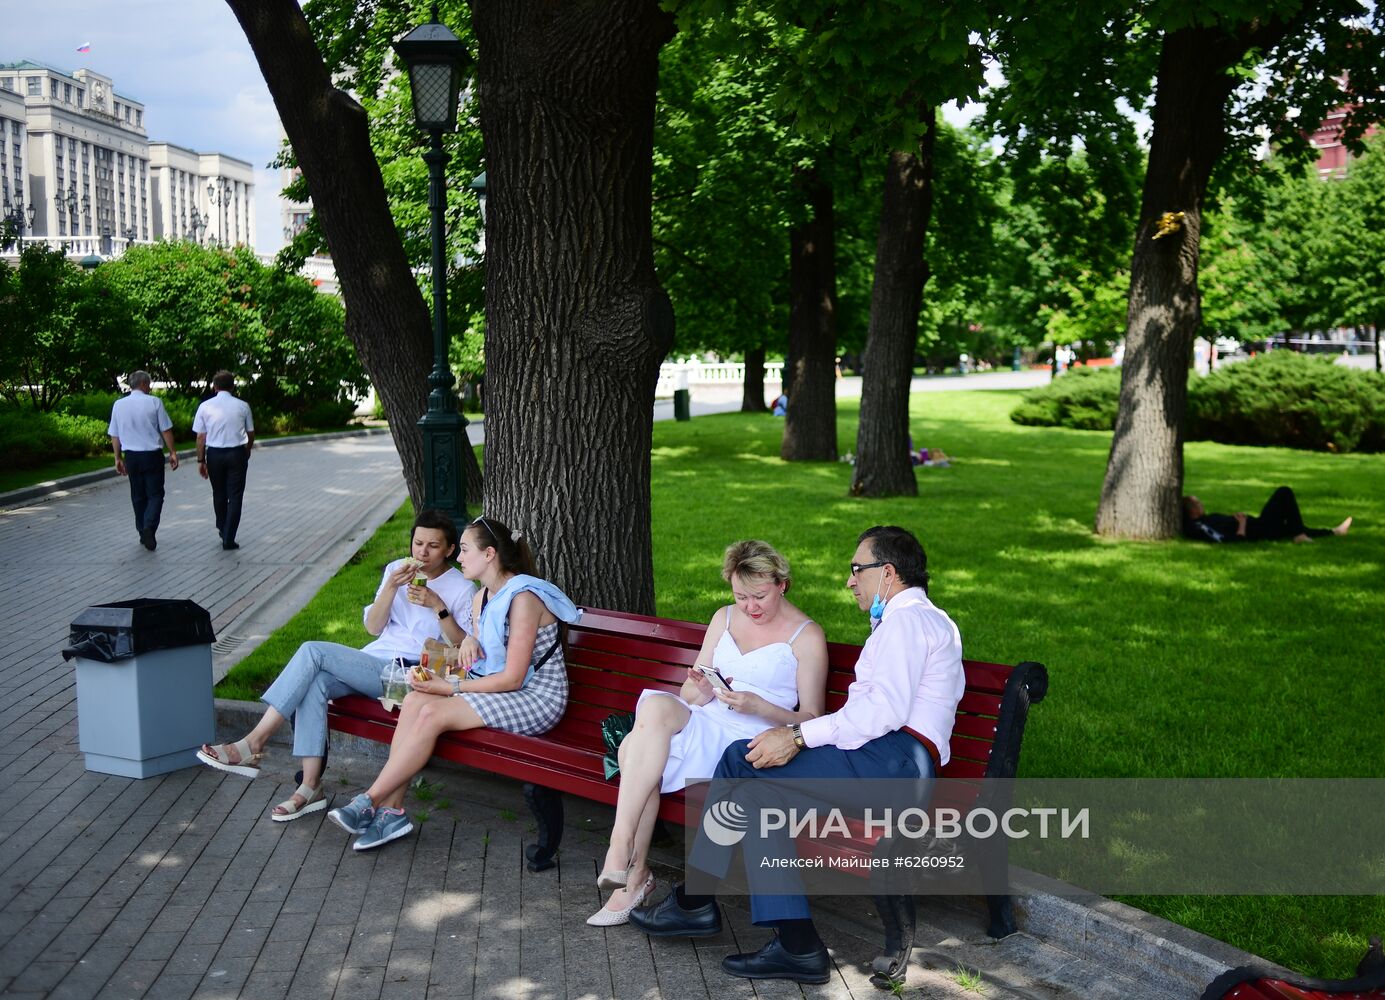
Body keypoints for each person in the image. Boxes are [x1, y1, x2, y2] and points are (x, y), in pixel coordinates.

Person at [629, 526, 965, 985]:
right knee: (757, 798)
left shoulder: (907, 622)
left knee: (739, 759)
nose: (850, 581)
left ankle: (695, 902)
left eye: (856, 570)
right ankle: (798, 946)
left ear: (887, 573)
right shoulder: (923, 619)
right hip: (889, 763)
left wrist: (798, 737)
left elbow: (878, 714)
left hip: (892, 762)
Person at [589, 541, 828, 927]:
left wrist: (759, 706)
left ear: (782, 584)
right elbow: (689, 694)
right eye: (741, 595)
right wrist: (698, 690)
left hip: (749, 742)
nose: (750, 607)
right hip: (707, 720)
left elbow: (813, 718)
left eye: (760, 596)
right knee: (653, 712)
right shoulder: (724, 618)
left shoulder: (807, 636)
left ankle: (631, 872)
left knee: (635, 749)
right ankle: (622, 853)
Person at [196, 510, 474, 821]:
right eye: (418, 542)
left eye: (433, 546)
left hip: (411, 675)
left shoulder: (462, 588)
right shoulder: (397, 569)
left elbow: (463, 646)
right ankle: (310, 787)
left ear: (449, 549)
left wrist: (438, 607)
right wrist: (391, 588)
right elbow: (372, 627)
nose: (422, 552)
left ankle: (253, 742)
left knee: (313, 652)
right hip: (375, 662)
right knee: (315, 683)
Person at [326, 516, 580, 851]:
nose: (458, 558)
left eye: (463, 549)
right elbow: (474, 653)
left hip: (536, 697)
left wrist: (451, 688)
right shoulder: (483, 597)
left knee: (433, 713)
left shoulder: (523, 599)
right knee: (416, 699)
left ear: (489, 555)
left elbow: (513, 677)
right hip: (497, 686)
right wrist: (467, 646)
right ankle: (391, 812)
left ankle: (369, 800)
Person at [106, 370, 180, 551]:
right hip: (152, 455)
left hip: (131, 456)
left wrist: (117, 458)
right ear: (144, 384)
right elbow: (166, 429)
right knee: (155, 494)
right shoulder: (154, 402)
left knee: (138, 495)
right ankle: (149, 527)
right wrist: (172, 452)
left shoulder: (119, 405)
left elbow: (114, 434)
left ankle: (142, 531)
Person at [193, 370, 255, 550]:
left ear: (215, 387)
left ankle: (222, 525)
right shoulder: (243, 406)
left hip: (215, 455)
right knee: (235, 496)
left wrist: (200, 460)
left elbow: (200, 437)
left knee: (218, 493)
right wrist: (247, 449)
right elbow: (250, 433)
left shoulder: (205, 406)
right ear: (233, 386)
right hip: (237, 453)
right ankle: (229, 536)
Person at [1182, 488, 1352, 544]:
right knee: (1284, 492)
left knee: (1290, 528)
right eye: (1198, 503)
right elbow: (1228, 540)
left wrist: (1238, 518)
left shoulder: (1204, 520)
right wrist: (1241, 524)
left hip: (1257, 525)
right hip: (1258, 529)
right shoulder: (1199, 526)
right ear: (1193, 511)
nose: (1201, 504)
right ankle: (1300, 535)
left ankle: (1334, 531)